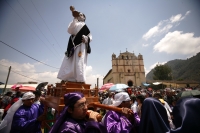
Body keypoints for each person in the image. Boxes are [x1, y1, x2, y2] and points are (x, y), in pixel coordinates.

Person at [57, 6, 92, 83]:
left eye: (82, 15)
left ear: (84, 18)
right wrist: (75, 18)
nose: (80, 15)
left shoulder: (86, 27)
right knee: (70, 60)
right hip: (73, 45)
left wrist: (86, 39)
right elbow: (69, 30)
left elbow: (90, 37)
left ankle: (80, 79)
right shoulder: (74, 23)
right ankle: (66, 78)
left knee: (80, 61)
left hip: (81, 46)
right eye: (80, 14)